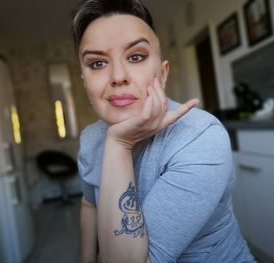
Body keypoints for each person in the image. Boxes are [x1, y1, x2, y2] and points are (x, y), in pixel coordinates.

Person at [73, 0, 255, 262]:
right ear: (85, 83)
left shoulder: (201, 136)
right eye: (97, 64)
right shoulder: (91, 139)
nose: (117, 76)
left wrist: (119, 144)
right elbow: (90, 203)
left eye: (136, 57)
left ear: (163, 73)